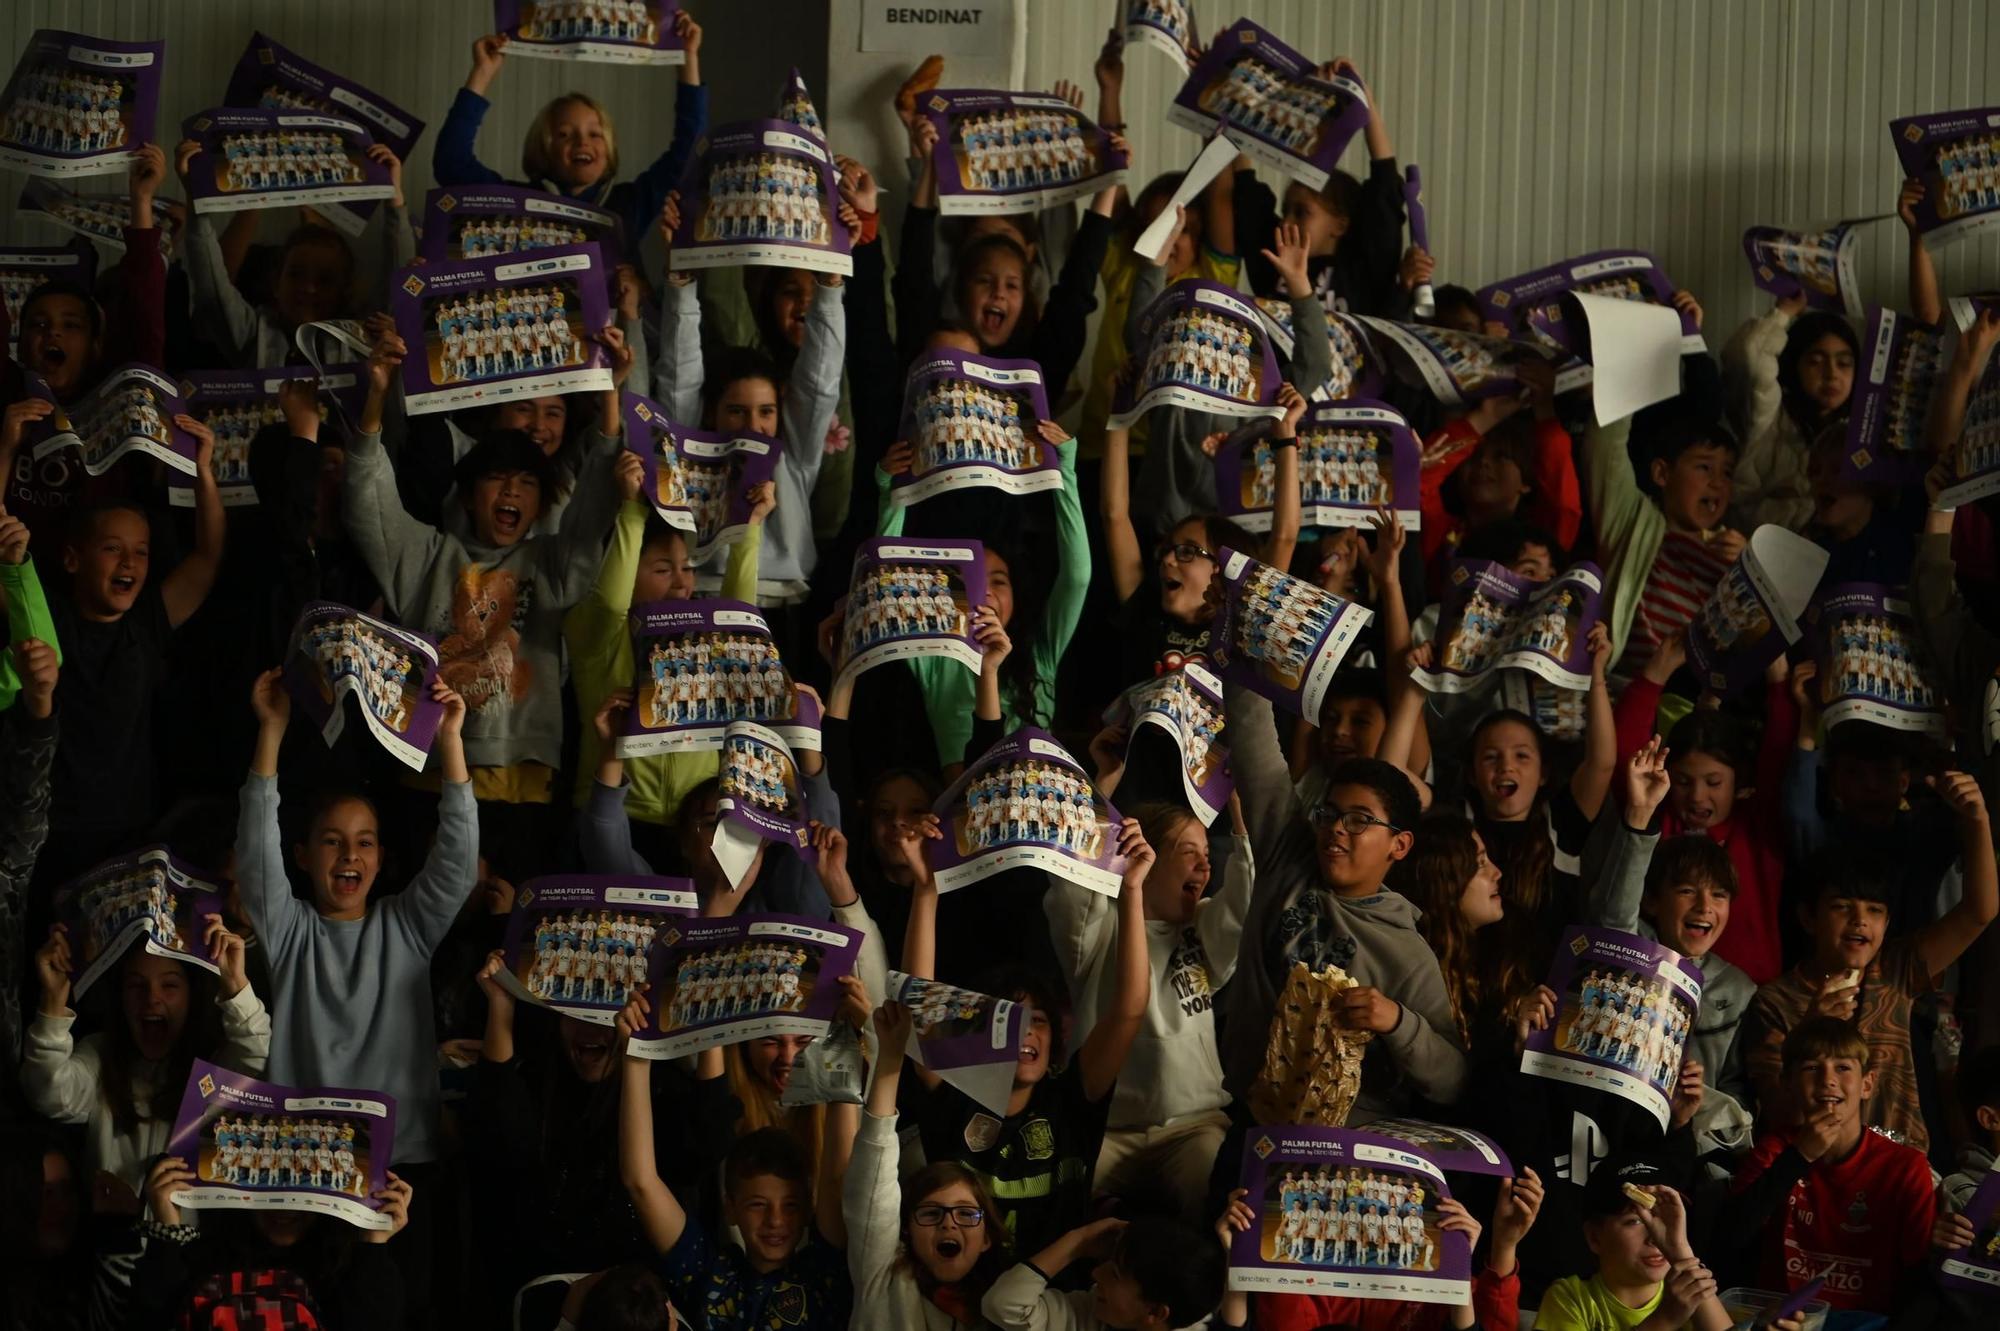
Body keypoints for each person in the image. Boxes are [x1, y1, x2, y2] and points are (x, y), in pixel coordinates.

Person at [1743, 771, 1996, 1153]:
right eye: (1843, 907)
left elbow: (1979, 912)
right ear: (1809, 918)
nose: (1860, 920)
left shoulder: (1895, 968)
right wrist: (1811, 1033)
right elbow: (1779, 1113)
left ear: (1888, 923)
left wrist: (1977, 819)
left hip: (1903, 1170)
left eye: (1874, 910)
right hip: (1820, 1180)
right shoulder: (1773, 1002)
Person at [615, 978, 860, 1331]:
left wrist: (842, 1038)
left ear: (809, 1208)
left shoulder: (823, 1272)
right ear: (730, 1206)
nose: (775, 1221)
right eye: (758, 1204)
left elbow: (838, 1177)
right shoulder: (709, 1274)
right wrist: (637, 1061)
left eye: (790, 1206)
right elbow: (640, 1182)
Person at [1720, 1017, 1937, 1314]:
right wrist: (1799, 1157)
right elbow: (1730, 1237)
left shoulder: (1905, 1166)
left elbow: (1918, 1274)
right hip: (1781, 1318)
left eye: (1843, 1067)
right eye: (1811, 1068)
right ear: (1788, 1083)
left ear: (1867, 1084)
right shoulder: (1775, 1150)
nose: (1828, 1080)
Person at [432, 14, 707, 245]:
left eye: (595, 134)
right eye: (564, 134)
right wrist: (482, 73)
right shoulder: (516, 202)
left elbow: (689, 154)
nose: (581, 142)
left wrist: (688, 60)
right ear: (544, 149)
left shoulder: (630, 203)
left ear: (609, 151)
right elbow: (451, 164)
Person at [1534, 1162, 1735, 1331]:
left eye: (1665, 1218)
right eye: (1635, 1221)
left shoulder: (1688, 1294)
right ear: (1595, 1237)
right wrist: (1663, 1321)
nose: (1655, 1238)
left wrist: (1681, 1253)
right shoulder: (1570, 1299)